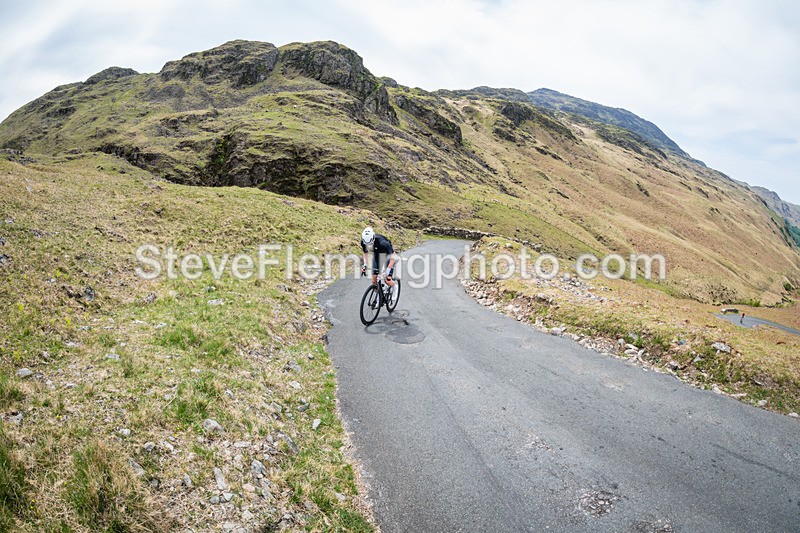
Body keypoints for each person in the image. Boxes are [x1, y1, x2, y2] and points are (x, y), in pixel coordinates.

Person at [360, 227, 397, 299]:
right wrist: (365, 264)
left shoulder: (383, 243)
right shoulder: (364, 242)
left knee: (387, 280)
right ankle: (378, 299)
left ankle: (395, 287)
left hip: (388, 256)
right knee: (374, 280)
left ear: (373, 239)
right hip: (377, 255)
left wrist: (388, 270)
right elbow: (365, 253)